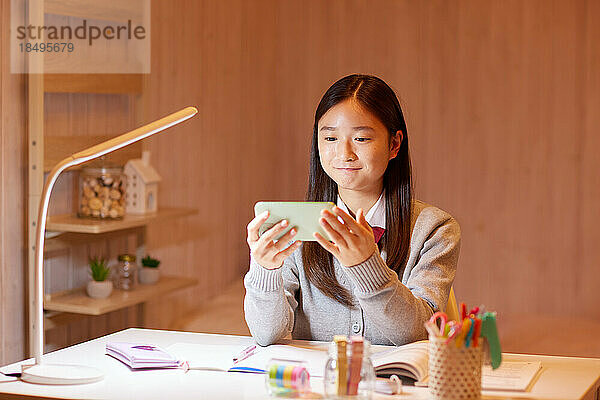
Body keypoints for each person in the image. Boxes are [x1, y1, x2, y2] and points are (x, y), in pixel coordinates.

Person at [244, 74, 460, 346]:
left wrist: (366, 264)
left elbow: (417, 334)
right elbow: (267, 335)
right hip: (316, 385)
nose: (344, 153)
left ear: (394, 144)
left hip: (399, 386)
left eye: (361, 138)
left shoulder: (434, 229)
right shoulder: (297, 227)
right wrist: (265, 269)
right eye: (331, 138)